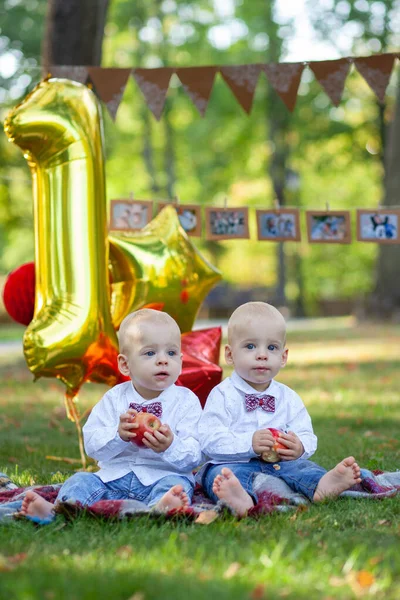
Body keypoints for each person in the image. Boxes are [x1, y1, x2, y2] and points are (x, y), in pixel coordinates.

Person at [20, 309, 203, 522]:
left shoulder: (186, 401)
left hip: (161, 476)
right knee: (80, 481)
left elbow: (196, 453)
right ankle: (59, 511)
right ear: (125, 364)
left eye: (171, 353)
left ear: (181, 360)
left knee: (175, 486)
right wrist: (118, 435)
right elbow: (92, 444)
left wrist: (170, 446)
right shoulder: (114, 399)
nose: (163, 360)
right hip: (112, 479)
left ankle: (160, 509)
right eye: (150, 353)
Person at [198, 302, 361, 516]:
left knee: (304, 468)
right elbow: (208, 439)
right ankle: (240, 497)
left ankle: (322, 485)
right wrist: (249, 443)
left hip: (281, 465)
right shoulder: (222, 395)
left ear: (283, 357)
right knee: (219, 476)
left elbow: (306, 433)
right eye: (250, 346)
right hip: (235, 463)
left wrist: (300, 446)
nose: (262, 355)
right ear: (230, 355)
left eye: (271, 348)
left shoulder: (288, 397)